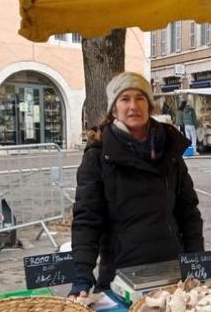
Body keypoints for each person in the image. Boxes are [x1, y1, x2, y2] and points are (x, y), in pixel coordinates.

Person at [68, 72, 204, 300]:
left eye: (140, 98)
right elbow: (86, 219)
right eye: (125, 99)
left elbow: (188, 212)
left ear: (149, 105)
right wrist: (82, 274)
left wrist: (198, 262)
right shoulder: (98, 156)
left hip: (171, 272)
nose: (133, 106)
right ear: (114, 109)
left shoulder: (170, 151)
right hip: (120, 275)